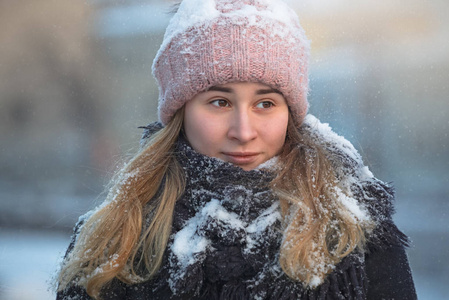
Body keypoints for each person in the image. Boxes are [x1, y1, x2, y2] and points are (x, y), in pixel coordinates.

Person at [56, 0, 417, 299]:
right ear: (181, 111)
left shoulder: (356, 231)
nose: (243, 132)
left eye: (265, 104)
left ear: (289, 113)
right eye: (219, 102)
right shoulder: (112, 239)